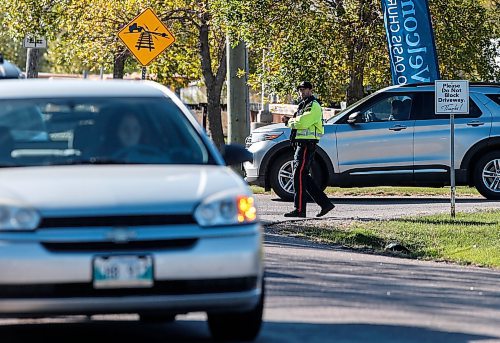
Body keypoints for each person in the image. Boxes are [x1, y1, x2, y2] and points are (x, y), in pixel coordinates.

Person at [281, 81, 335, 218]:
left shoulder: (313, 105)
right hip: (301, 144)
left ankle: (299, 210)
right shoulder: (303, 105)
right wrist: (294, 121)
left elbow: (302, 123)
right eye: (300, 89)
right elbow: (298, 121)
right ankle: (325, 204)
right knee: (303, 176)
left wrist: (289, 122)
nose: (301, 91)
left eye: (304, 89)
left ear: (310, 90)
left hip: (307, 144)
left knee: (298, 175)